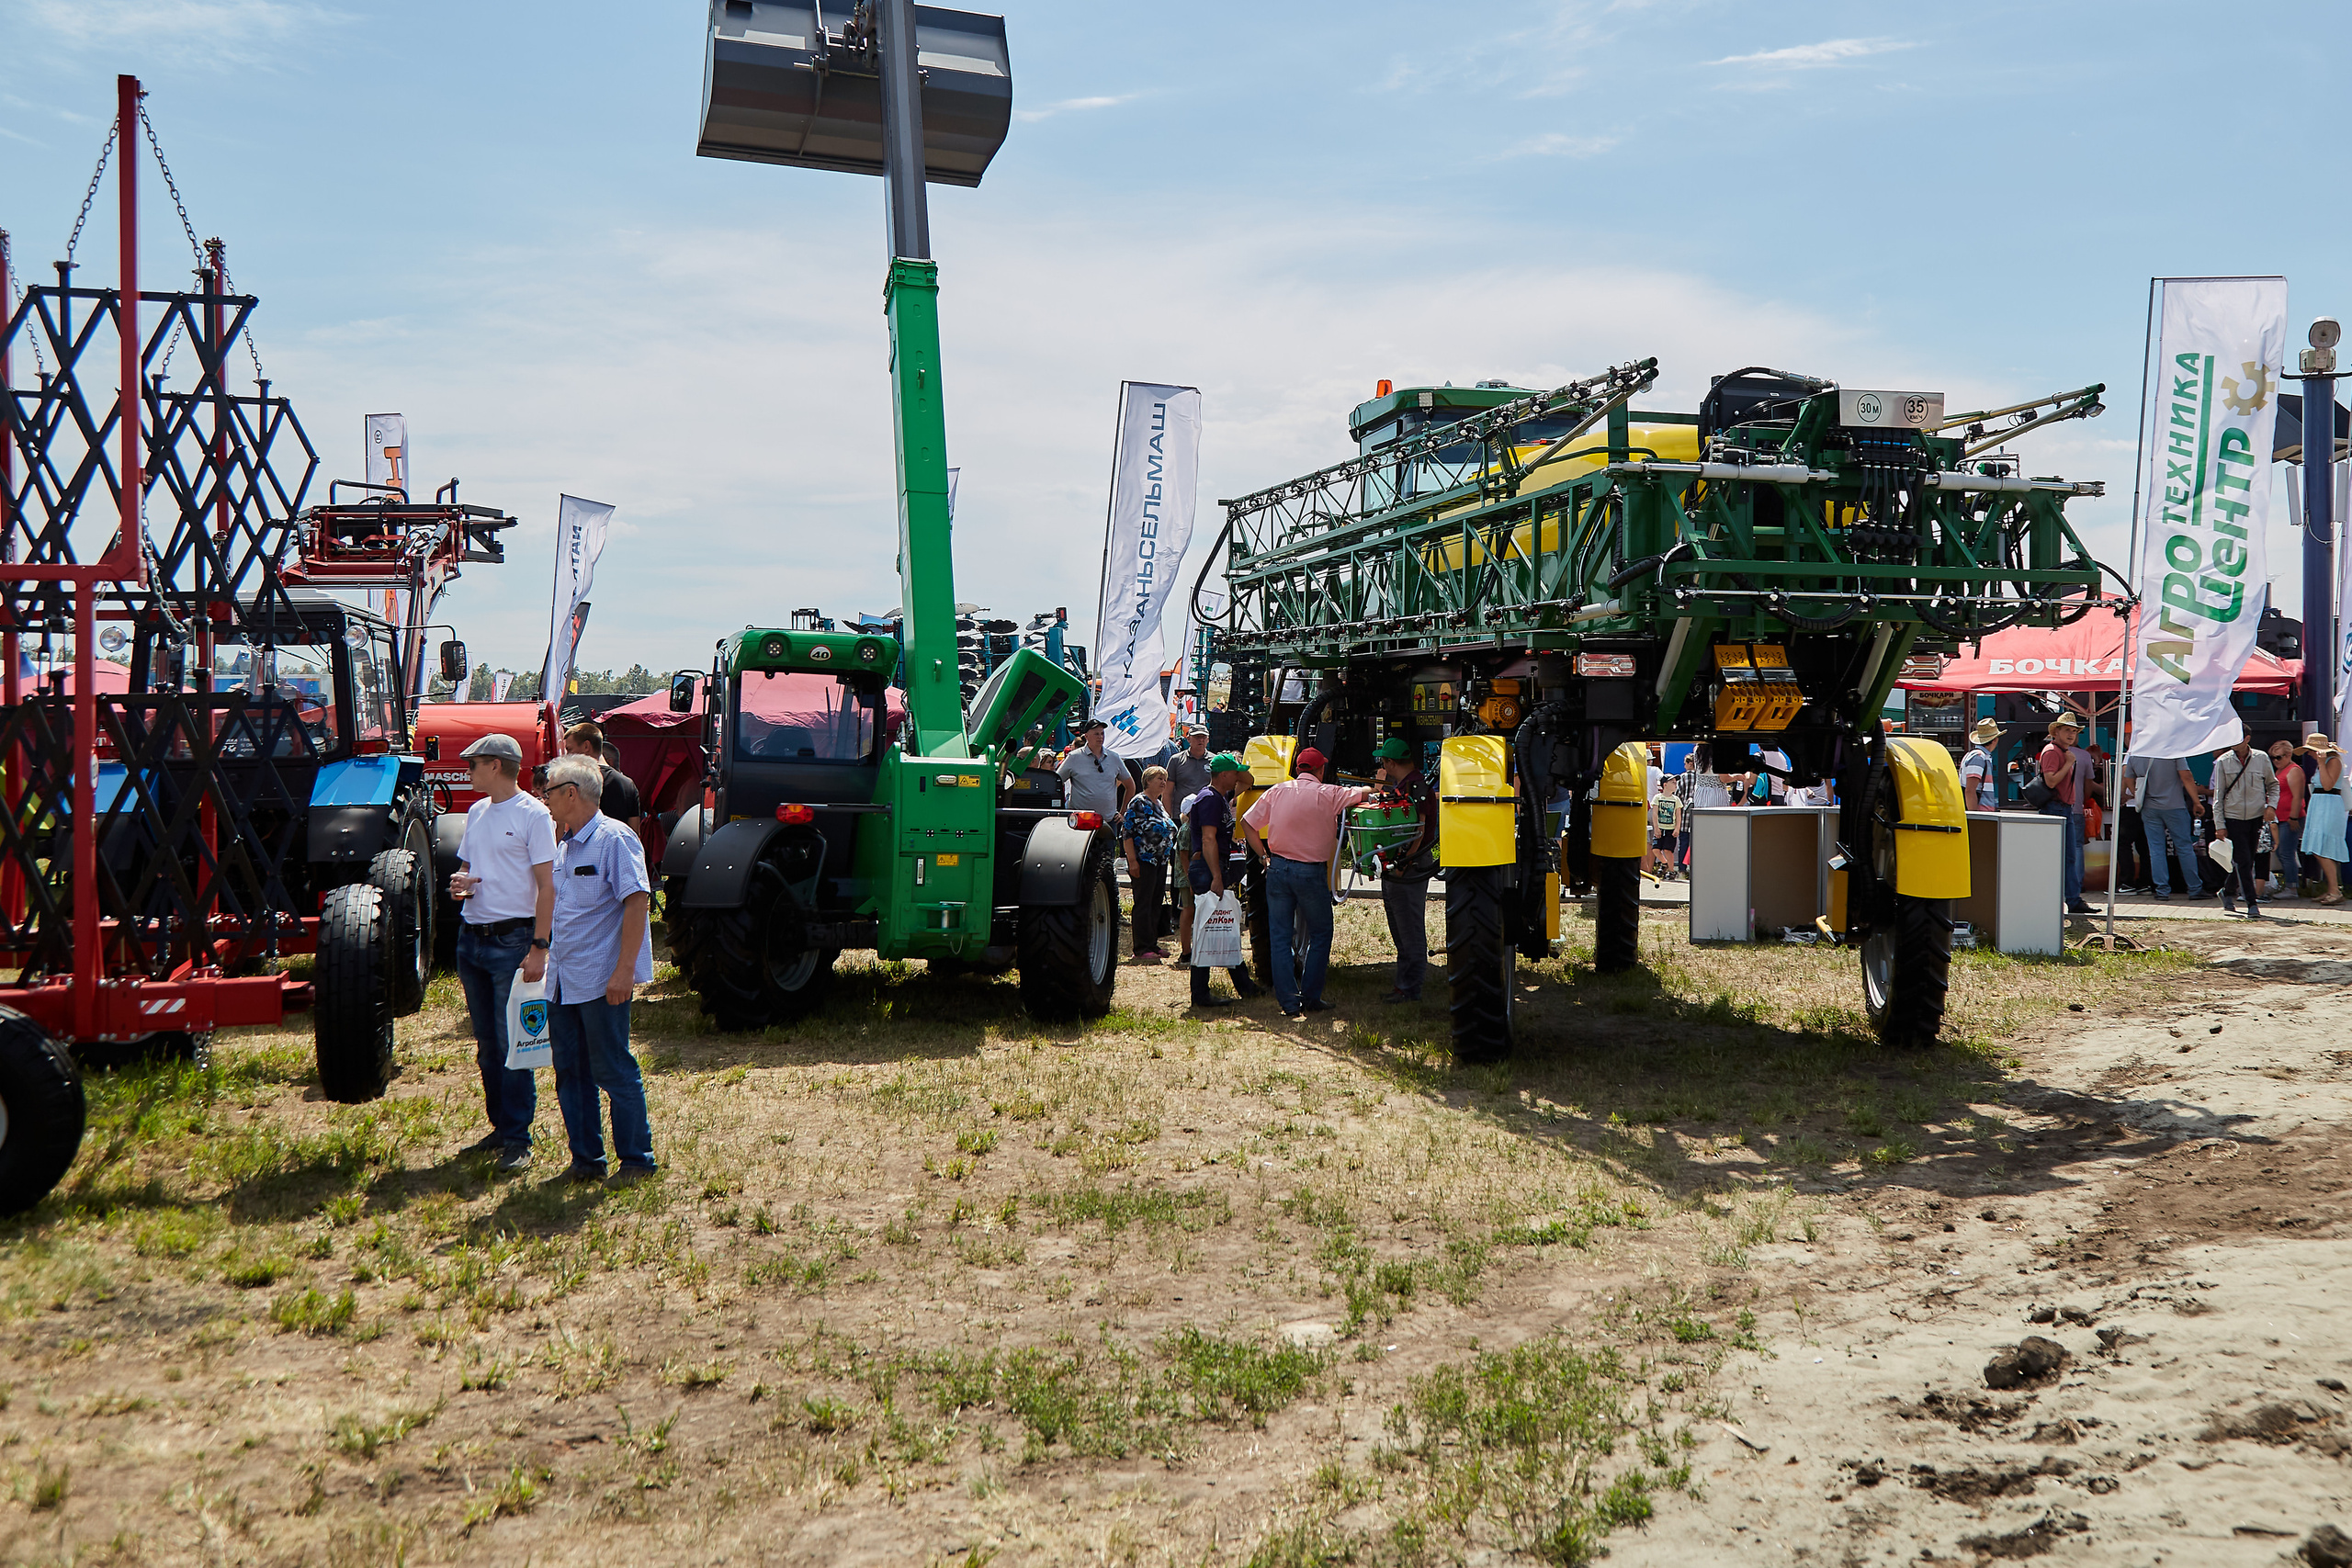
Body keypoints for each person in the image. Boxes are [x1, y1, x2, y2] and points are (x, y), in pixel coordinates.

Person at [540, 753, 659, 1184]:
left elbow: (637, 902)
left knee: (612, 1069)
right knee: (570, 1071)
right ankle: (587, 1160)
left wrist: (625, 971)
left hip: (599, 979)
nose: (545, 798)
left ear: (571, 793)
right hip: (563, 981)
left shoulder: (615, 839)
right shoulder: (565, 844)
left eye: (550, 791)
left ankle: (636, 1161)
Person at [448, 733, 557, 1172]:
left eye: (473, 763)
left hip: (513, 942)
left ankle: (518, 1138)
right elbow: (468, 866)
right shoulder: (476, 812)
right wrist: (461, 882)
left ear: (496, 766)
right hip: (472, 938)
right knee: (488, 1045)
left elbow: (548, 886)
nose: (467, 769)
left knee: (512, 1043)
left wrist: (539, 946)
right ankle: (501, 1129)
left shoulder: (534, 815)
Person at [1241, 747, 1368, 1019]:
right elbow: (1365, 794)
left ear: (1298, 768)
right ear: (1320, 770)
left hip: (1277, 868)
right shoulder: (1331, 793)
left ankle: (1288, 1002)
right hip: (1310, 873)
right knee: (1321, 934)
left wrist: (1263, 856)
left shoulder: (1276, 791)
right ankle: (1311, 996)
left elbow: (1247, 822)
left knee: (1279, 937)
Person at [1186, 753, 1265, 1007]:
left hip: (1211, 866)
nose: (1236, 777)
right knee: (1209, 928)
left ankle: (1242, 986)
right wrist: (1217, 876)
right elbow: (1208, 839)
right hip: (1208, 867)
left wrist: (1236, 768)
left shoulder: (1218, 796)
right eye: (1232, 773)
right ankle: (1202, 993)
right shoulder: (1210, 800)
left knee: (1221, 926)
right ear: (1222, 776)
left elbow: (1248, 780)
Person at [1370, 738, 1438, 1004]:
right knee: (1401, 928)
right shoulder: (1408, 785)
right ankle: (1404, 985)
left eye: (1383, 762)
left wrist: (1404, 864)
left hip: (1408, 867)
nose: (1382, 766)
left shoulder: (1417, 788)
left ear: (1390, 762)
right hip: (1400, 867)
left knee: (1410, 930)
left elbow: (1418, 832)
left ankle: (1410, 988)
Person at [2209, 729, 2277, 919]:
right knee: (2243, 859)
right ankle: (2251, 902)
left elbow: (2273, 784)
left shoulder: (2261, 758)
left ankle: (2227, 891)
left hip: (2256, 816)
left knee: (2246, 860)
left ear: (2247, 739)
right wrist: (2219, 824)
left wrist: (2271, 806)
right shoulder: (2223, 761)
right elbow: (2218, 795)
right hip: (2233, 816)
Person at [1119, 765, 1178, 964]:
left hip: (1160, 862)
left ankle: (1152, 943)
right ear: (1147, 781)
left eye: (1165, 778)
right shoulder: (1138, 802)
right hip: (1143, 861)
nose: (1163, 781)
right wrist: (1132, 861)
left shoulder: (1159, 804)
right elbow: (1127, 832)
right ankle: (1141, 947)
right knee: (1143, 903)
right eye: (1158, 778)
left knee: (1155, 901)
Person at [2037, 714, 2095, 915]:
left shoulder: (2063, 751)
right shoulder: (2053, 752)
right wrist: (2069, 763)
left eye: (2074, 731)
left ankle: (2072, 900)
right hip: (2056, 808)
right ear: (2056, 732)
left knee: (2068, 857)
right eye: (2067, 730)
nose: (2072, 734)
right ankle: (2068, 900)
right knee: (2061, 858)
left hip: (2064, 808)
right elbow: (2051, 781)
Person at [2125, 748, 2200, 901]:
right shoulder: (2173, 750)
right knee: (2184, 847)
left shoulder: (2136, 752)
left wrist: (2137, 796)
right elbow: (2186, 776)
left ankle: (2162, 890)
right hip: (2175, 806)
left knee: (2156, 850)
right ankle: (2194, 889)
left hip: (2149, 807)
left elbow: (2128, 777)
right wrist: (2197, 802)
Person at [2297, 736, 2346, 905]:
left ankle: (2334, 890)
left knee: (2322, 848)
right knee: (2320, 848)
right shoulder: (2326, 763)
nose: (2309, 754)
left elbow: (2327, 785)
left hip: (2329, 806)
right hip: (2320, 805)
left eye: (2311, 750)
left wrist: (2321, 763)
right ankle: (2331, 889)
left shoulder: (2333, 762)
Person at [563, 721, 642, 824]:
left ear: (586, 746)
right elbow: (634, 833)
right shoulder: (628, 784)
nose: (567, 756)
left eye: (569, 749)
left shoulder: (574, 782)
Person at [1057, 718, 1131, 818]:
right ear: (1086, 736)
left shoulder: (1114, 757)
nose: (1100, 737)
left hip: (1108, 819)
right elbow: (1056, 781)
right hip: (1081, 820)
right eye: (1096, 734)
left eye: (1102, 734)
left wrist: (1123, 813)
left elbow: (1130, 786)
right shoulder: (1074, 757)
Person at [2267, 739, 2305, 898]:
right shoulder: (2280, 771)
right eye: (2273, 758)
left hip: (2289, 818)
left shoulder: (2293, 771)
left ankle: (2292, 888)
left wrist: (2293, 817)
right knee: (2280, 851)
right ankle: (2289, 885)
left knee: (2286, 852)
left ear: (2289, 755)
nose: (2275, 761)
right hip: (2279, 818)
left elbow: (2298, 796)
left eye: (2279, 757)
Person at [1166, 727, 1216, 811]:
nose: (1201, 740)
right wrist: (1168, 817)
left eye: (1203, 737)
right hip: (1181, 816)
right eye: (1197, 737)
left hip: (1207, 813)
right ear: (1188, 739)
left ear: (1208, 739)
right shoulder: (1176, 760)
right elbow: (1167, 792)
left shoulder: (1215, 761)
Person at [1961, 719, 2001, 809]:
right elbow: (1970, 790)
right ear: (1995, 740)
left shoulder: (1980, 756)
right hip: (1981, 813)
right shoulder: (1978, 757)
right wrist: (1975, 817)